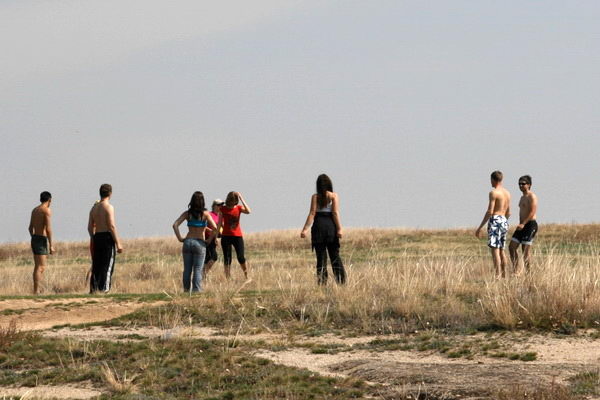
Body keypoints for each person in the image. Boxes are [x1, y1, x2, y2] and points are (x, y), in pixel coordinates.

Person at [300, 174, 346, 285]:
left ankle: (322, 283)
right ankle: (341, 282)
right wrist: (339, 229)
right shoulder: (334, 196)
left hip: (318, 228)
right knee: (335, 256)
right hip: (331, 228)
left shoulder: (315, 197)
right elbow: (335, 213)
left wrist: (305, 229)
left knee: (321, 258)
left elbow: (312, 213)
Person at [173, 191, 217, 293]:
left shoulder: (187, 214)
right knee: (198, 268)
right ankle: (196, 290)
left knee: (187, 269)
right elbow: (215, 228)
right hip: (200, 243)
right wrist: (209, 240)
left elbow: (175, 225)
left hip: (188, 242)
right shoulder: (205, 214)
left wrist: (180, 238)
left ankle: (186, 290)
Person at [88, 184, 124, 293]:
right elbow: (111, 226)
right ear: (110, 193)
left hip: (97, 236)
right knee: (107, 265)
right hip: (107, 237)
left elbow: (89, 227)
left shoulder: (94, 208)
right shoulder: (109, 207)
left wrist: (93, 238)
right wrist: (118, 243)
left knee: (97, 265)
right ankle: (104, 289)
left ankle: (94, 289)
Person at [475, 171, 511, 278]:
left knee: (495, 249)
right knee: (502, 249)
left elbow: (490, 211)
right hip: (504, 220)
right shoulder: (507, 193)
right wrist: (504, 220)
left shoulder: (494, 193)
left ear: (493, 180)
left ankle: (497, 275)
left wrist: (480, 227)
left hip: (495, 219)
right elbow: (509, 212)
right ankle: (504, 275)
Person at [217, 192, 251, 280]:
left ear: (236, 201)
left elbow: (248, 211)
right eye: (230, 200)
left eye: (234, 201)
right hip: (226, 236)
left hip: (237, 236)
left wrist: (241, 198)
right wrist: (216, 236)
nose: (232, 203)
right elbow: (219, 223)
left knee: (241, 257)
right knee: (227, 259)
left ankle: (246, 275)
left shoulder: (239, 208)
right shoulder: (222, 209)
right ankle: (228, 278)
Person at [509, 175, 538, 274]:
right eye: (519, 184)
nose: (521, 185)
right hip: (521, 225)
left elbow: (532, 211)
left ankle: (529, 274)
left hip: (530, 225)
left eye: (523, 184)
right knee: (511, 247)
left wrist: (524, 223)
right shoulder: (522, 197)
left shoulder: (532, 196)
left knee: (525, 251)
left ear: (529, 185)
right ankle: (516, 271)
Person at [28, 191, 55, 294]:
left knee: (37, 266)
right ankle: (36, 291)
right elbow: (48, 229)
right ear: (49, 200)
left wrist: (33, 238)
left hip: (35, 238)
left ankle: (38, 289)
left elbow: (30, 228)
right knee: (41, 267)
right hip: (41, 239)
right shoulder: (46, 210)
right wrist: (51, 245)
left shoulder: (34, 210)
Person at [203, 199, 224, 278]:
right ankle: (203, 273)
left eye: (222, 205)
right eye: (219, 205)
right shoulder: (209, 214)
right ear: (214, 206)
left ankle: (203, 274)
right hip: (208, 238)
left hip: (215, 238)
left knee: (208, 258)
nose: (220, 207)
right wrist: (213, 230)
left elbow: (222, 226)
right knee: (213, 257)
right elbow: (204, 226)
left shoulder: (221, 215)